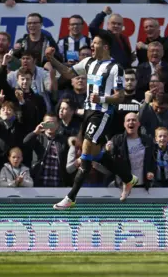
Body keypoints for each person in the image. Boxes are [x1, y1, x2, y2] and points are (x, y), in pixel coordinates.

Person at [43, 30, 137, 209]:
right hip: (88, 112)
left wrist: (101, 99)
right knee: (96, 154)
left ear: (106, 46)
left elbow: (120, 96)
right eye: (92, 43)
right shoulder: (89, 62)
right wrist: (52, 60)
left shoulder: (115, 68)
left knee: (86, 151)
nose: (92, 45)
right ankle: (128, 178)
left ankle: (71, 197)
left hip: (102, 113)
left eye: (96, 43)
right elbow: (69, 73)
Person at [108, 112, 154, 189]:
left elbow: (153, 160)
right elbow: (110, 161)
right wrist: (108, 150)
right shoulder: (117, 140)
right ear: (124, 124)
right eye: (128, 120)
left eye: (133, 120)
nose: (131, 122)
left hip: (143, 185)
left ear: (139, 123)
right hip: (124, 185)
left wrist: (151, 171)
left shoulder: (147, 140)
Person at [24, 114, 71, 187]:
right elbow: (25, 142)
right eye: (47, 123)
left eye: (53, 123)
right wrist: (36, 132)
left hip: (58, 183)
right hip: (39, 182)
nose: (50, 126)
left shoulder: (63, 140)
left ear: (58, 125)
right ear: (43, 124)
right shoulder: (38, 138)